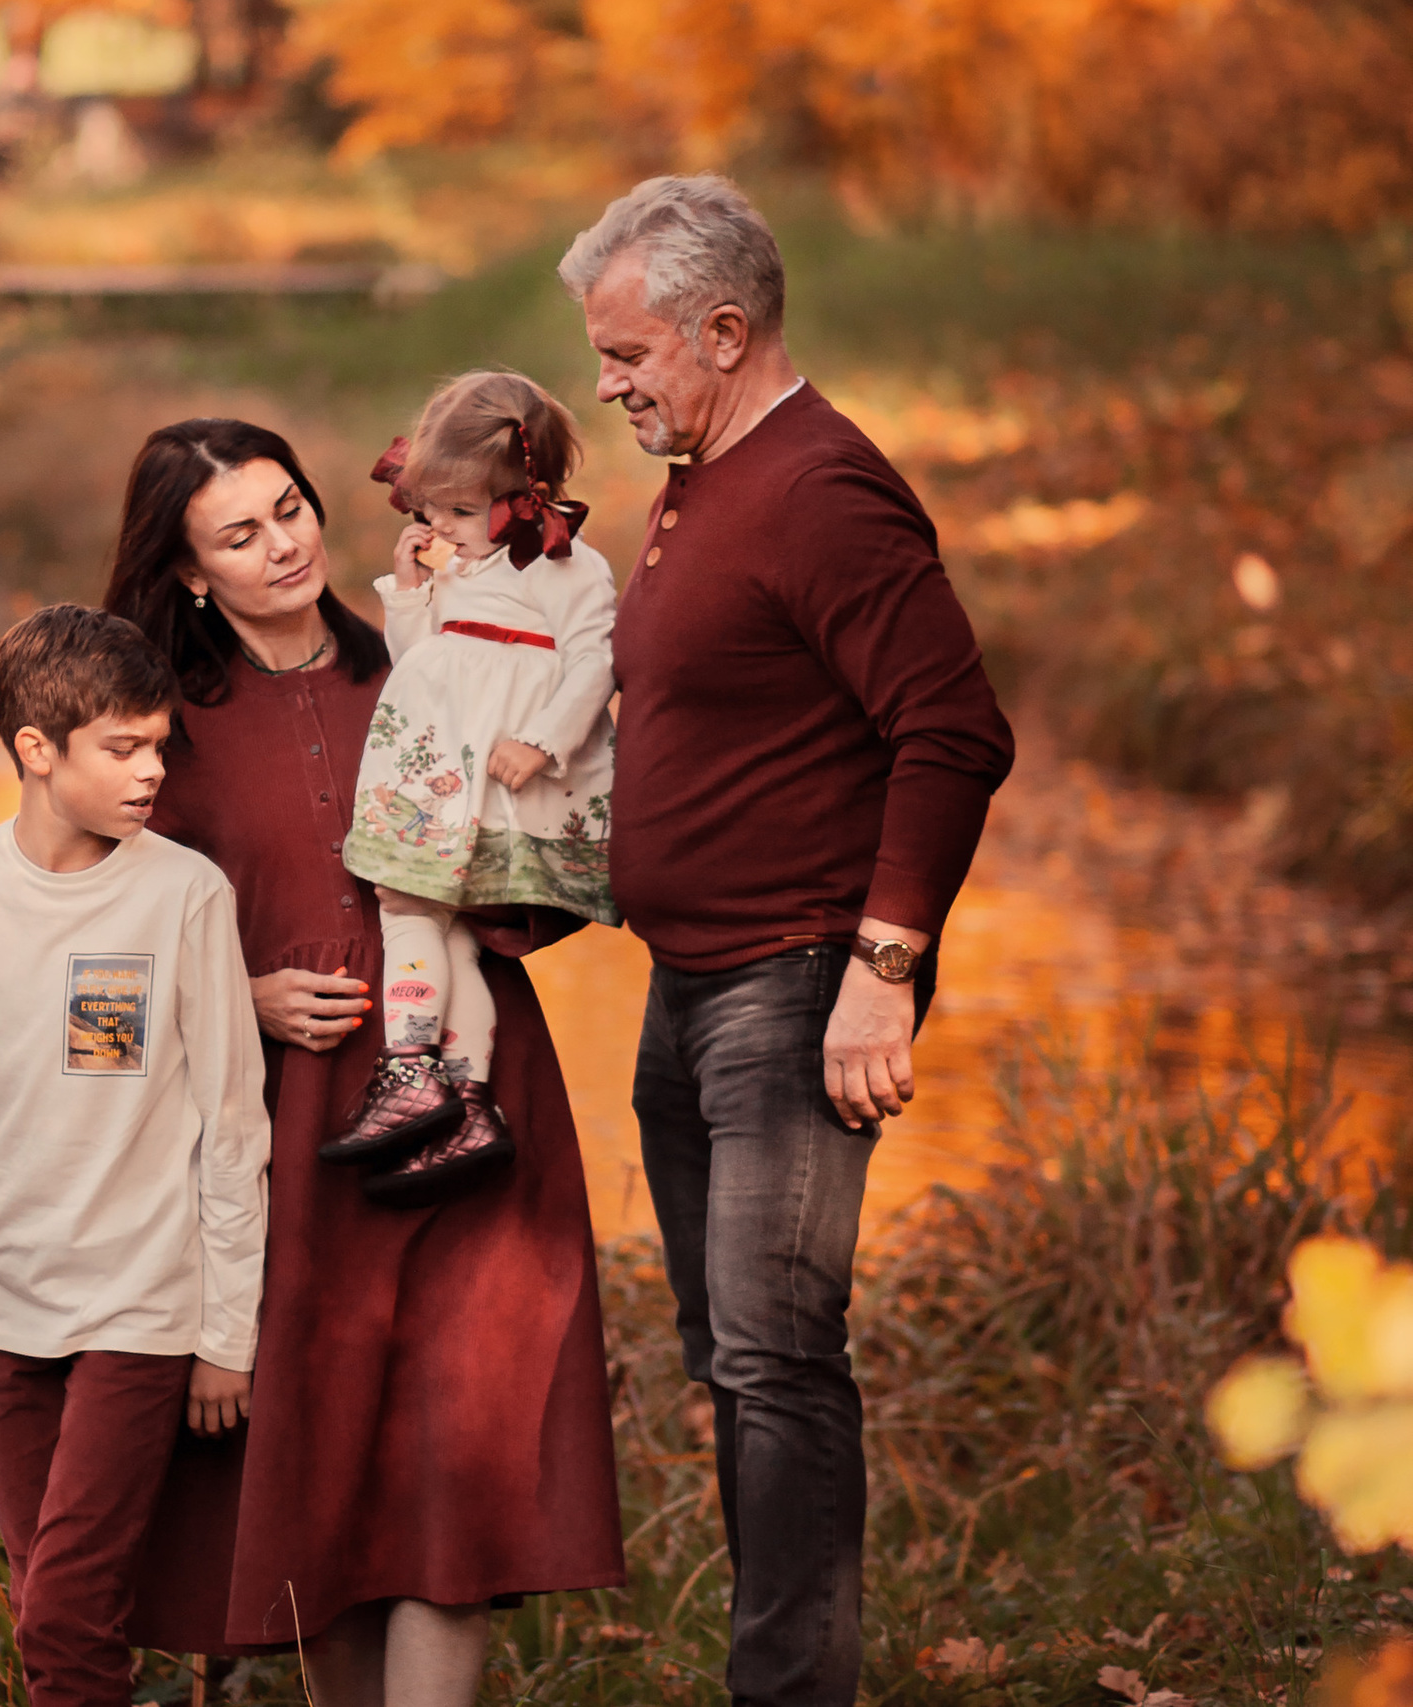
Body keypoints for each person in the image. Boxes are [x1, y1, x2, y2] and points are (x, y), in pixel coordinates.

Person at [557, 175, 1015, 1707]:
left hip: (799, 980)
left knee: (777, 1363)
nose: (608, 384)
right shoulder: (706, 475)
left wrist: (883, 970)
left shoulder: (821, 487)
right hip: (690, 984)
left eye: (627, 356)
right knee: (731, 1361)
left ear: (726, 328)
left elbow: (951, 729)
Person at [101, 419, 624, 1707]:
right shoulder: (157, 727)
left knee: (453, 1472)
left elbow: (544, 860)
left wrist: (511, 885)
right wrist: (240, 997)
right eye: (239, 533)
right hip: (289, 1136)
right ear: (185, 573)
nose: (281, 545)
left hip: (472, 1107)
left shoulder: (426, 649)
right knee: (321, 1480)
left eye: (289, 509)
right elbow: (94, 957)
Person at [0, 603, 272, 1707]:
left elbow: (231, 1123)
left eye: (157, 744)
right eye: (122, 747)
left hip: (139, 1310)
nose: (150, 770)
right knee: (50, 1614)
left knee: (66, 1618)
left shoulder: (182, 895)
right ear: (37, 750)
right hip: (11, 1309)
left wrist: (225, 1335)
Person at [329, 370, 620, 1208]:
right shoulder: (455, 566)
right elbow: (419, 658)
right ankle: (466, 1097)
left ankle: (412, 1067)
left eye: (459, 511)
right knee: (435, 925)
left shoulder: (569, 571)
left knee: (410, 908)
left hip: (499, 782)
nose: (439, 528)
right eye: (432, 510)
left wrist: (543, 741)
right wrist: (414, 592)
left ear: (527, 497)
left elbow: (594, 663)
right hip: (438, 773)